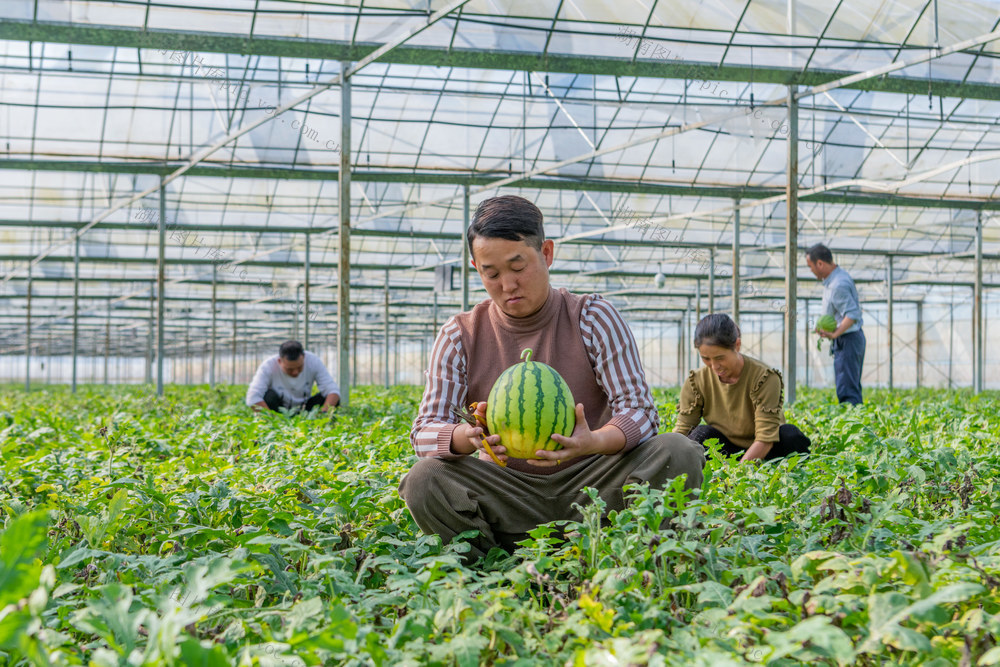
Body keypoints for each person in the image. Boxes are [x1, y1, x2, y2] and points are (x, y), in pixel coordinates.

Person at [398, 195, 706, 563]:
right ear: (475, 268)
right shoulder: (459, 335)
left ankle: (639, 555)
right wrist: (467, 437)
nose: (507, 284)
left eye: (518, 266)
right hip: (508, 492)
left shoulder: (592, 317)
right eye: (491, 273)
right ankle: (491, 567)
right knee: (424, 479)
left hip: (593, 484)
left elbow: (640, 412)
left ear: (546, 253)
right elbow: (424, 432)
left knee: (678, 451)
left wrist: (592, 442)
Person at [674, 314, 811, 461]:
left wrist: (738, 476)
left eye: (720, 358)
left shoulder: (764, 377)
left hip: (768, 449)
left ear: (737, 345)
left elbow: (765, 439)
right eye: (706, 358)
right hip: (726, 449)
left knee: (790, 435)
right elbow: (683, 430)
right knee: (700, 434)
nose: (714, 366)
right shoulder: (696, 381)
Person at [805, 243, 865, 405]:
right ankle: (854, 421)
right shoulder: (834, 280)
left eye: (810, 266)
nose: (811, 271)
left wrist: (835, 333)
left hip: (848, 340)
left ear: (820, 264)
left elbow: (852, 314)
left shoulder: (838, 285)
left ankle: (853, 425)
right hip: (848, 340)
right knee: (848, 385)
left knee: (847, 389)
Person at [245, 340, 340, 413]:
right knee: (268, 396)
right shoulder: (268, 366)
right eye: (289, 369)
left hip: (306, 409)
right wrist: (274, 420)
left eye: (299, 367)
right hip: (279, 409)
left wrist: (322, 415)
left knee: (331, 399)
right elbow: (252, 398)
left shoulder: (313, 361)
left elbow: (333, 391)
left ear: (304, 357)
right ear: (279, 361)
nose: (295, 372)